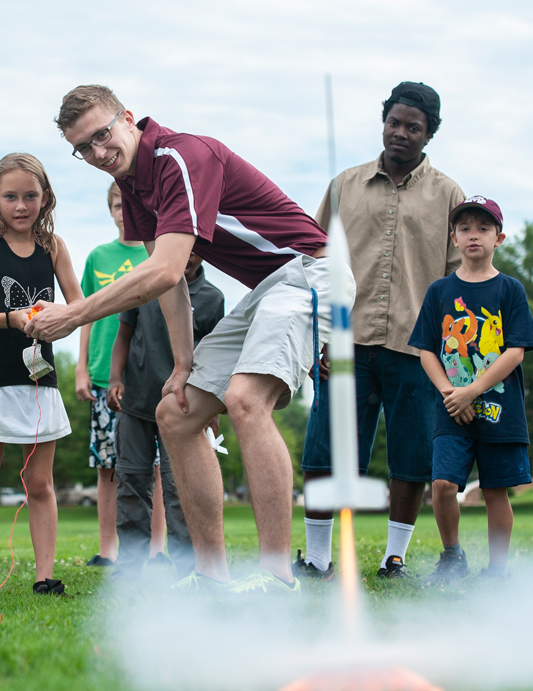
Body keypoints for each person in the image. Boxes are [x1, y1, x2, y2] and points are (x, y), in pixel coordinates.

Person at [29, 85, 355, 593]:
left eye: (102, 135)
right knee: (175, 414)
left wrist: (73, 315)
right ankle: (212, 577)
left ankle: (277, 578)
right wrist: (183, 364)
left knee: (246, 399)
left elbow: (163, 270)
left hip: (313, 273)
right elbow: (174, 282)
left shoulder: (180, 156)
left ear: (127, 118)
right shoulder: (135, 188)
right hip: (270, 289)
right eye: (82, 148)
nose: (97, 152)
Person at [300, 81, 464, 581]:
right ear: (384, 121)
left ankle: (395, 558)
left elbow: (458, 279)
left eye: (413, 127)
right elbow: (310, 261)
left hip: (417, 349)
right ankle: (316, 558)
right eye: (394, 122)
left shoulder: (449, 194)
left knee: (412, 457)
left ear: (429, 133)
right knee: (324, 450)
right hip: (343, 343)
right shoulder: (342, 186)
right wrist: (317, 336)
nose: (401, 133)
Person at [0, 153, 80, 596]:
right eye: (11, 196)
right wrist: (11, 318)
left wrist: (55, 318)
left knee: (40, 484)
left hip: (40, 384)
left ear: (45, 199)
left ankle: (45, 577)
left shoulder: (55, 247)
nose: (21, 205)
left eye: (31, 196)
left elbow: (77, 306)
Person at [408, 197, 533, 581]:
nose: (473, 235)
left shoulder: (509, 290)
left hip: (501, 410)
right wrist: (453, 394)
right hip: (451, 409)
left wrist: (474, 391)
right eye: (465, 228)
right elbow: (426, 352)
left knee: (496, 491)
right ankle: (452, 555)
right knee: (443, 484)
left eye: (483, 229)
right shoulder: (439, 291)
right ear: (453, 238)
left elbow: (515, 352)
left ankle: (497, 570)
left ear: (499, 238)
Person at [107, 253, 224, 580]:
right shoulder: (143, 284)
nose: (187, 256)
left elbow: (216, 357)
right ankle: (129, 565)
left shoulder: (213, 298)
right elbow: (124, 336)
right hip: (136, 403)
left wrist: (213, 408)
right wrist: (115, 379)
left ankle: (188, 567)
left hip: (185, 411)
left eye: (196, 248)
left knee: (180, 489)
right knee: (131, 482)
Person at [78, 183, 148, 567]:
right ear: (110, 210)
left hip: (147, 376)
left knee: (153, 467)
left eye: (131, 203)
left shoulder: (154, 253)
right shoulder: (98, 257)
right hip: (105, 376)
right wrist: (81, 368)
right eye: (118, 204)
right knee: (108, 466)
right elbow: (86, 315)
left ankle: (154, 550)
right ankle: (109, 549)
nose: (125, 211)